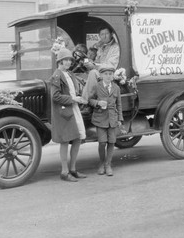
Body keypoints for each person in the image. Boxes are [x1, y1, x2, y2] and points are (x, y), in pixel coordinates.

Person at [50, 47, 88, 182]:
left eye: (69, 60)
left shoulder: (70, 74)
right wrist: (73, 99)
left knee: (78, 138)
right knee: (65, 141)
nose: (68, 62)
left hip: (73, 109)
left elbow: (73, 90)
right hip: (64, 112)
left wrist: (79, 97)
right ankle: (64, 172)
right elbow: (55, 96)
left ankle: (73, 169)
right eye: (65, 60)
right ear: (60, 61)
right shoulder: (57, 75)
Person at [88, 64, 127, 176]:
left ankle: (108, 165)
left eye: (110, 74)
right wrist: (98, 103)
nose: (108, 76)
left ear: (113, 76)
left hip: (112, 119)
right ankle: (101, 163)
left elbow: (119, 104)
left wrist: (120, 118)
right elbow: (90, 100)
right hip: (100, 118)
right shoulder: (97, 86)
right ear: (101, 75)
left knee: (111, 142)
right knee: (102, 142)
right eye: (106, 74)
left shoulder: (116, 88)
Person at [81, 27, 120, 100]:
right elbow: (97, 62)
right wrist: (91, 63)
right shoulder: (102, 47)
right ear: (99, 36)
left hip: (109, 73)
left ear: (111, 34)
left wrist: (94, 66)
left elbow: (111, 65)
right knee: (80, 74)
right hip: (100, 72)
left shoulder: (116, 48)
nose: (104, 36)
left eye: (106, 34)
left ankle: (86, 101)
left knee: (93, 73)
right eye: (102, 34)